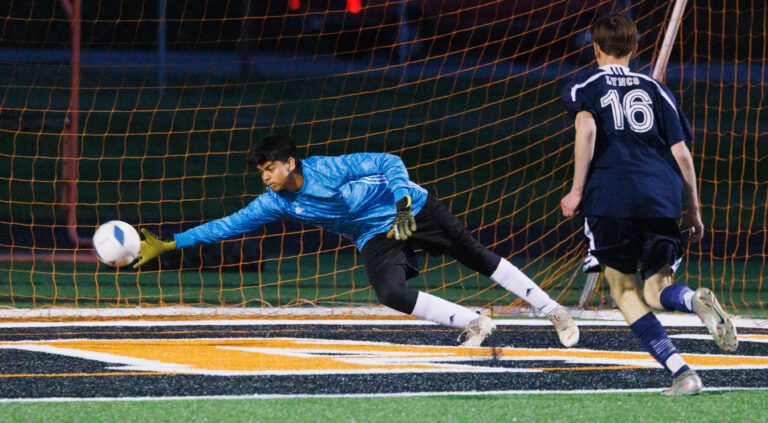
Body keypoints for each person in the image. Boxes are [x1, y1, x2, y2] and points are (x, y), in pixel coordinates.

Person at [133, 134, 579, 348]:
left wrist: (404, 205)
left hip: (411, 209)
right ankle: (475, 322)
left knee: (477, 257)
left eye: (270, 168)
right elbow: (226, 225)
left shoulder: (327, 168)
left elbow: (390, 160)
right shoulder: (275, 203)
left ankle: (552, 310)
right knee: (389, 292)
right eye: (261, 173)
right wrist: (170, 244)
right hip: (372, 233)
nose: (265, 178)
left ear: (290, 163)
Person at [560, 14, 737, 395]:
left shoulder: (584, 84)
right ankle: (691, 299)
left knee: (623, 290)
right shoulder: (656, 89)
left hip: (612, 196)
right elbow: (683, 154)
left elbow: (587, 128)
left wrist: (576, 191)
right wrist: (694, 209)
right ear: (634, 49)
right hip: (662, 195)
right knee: (658, 290)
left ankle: (682, 373)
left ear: (595, 48)